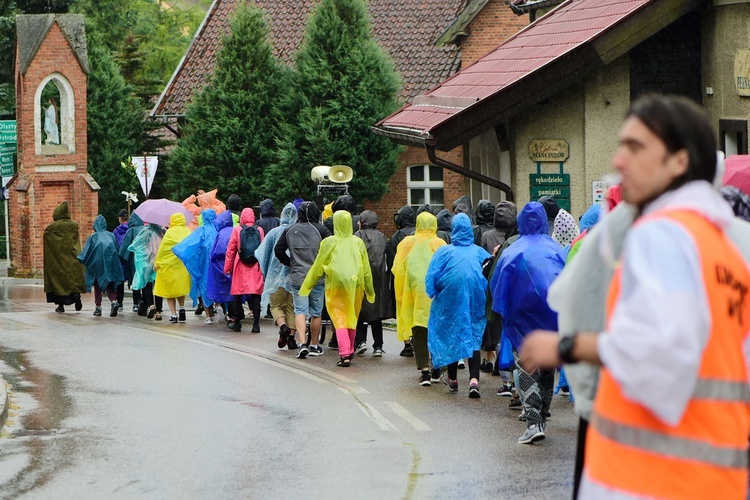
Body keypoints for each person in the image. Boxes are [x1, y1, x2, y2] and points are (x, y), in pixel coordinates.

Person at [521, 95, 750, 499]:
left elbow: (659, 353)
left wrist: (566, 345)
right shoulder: (727, 250)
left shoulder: (661, 233)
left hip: (647, 479)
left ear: (679, 161)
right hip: (715, 478)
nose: (620, 160)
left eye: (636, 147)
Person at [490, 201, 566, 444]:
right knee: (546, 361)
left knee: (525, 364)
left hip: (521, 315)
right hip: (552, 312)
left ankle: (534, 421)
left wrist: (501, 312)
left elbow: (498, 287)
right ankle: (542, 412)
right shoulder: (556, 249)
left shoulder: (512, 250)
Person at [425, 213, 489, 397]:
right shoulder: (479, 252)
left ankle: (452, 378)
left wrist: (434, 292)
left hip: (450, 299)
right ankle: (474, 380)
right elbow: (489, 273)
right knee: (473, 335)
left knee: (452, 334)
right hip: (476, 298)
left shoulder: (444, 252)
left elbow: (432, 277)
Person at [300, 210, 374, 367]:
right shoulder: (357, 242)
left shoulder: (328, 242)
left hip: (336, 284)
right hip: (356, 284)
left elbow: (317, 266)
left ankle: (345, 353)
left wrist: (307, 286)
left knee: (339, 318)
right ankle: (350, 349)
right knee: (351, 316)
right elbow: (366, 268)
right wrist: (370, 290)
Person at [393, 211, 447, 386]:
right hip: (436, 293)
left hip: (413, 294)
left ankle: (424, 371)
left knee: (419, 329)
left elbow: (397, 268)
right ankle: (437, 367)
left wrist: (402, 292)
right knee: (436, 329)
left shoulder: (407, 243)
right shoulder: (439, 243)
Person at [274, 201, 331, 358]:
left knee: (300, 310)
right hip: (317, 276)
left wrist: (290, 263)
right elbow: (331, 249)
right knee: (316, 312)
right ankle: (314, 344)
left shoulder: (290, 230)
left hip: (297, 276)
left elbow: (278, 250)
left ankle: (302, 343)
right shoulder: (321, 230)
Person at [255, 203, 298, 349]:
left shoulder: (273, 233)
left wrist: (266, 271)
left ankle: (283, 326)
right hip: (294, 276)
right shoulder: (297, 232)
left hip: (275, 277)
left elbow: (262, 254)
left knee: (276, 305)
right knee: (292, 307)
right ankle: (292, 337)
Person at [353, 210, 392, 356]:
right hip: (380, 277)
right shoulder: (382, 236)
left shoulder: (357, 236)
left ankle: (361, 341)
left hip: (362, 276)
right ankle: (378, 346)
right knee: (376, 313)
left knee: (361, 310)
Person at [173, 209, 219, 324]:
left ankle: (208, 315)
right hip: (218, 264)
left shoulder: (201, 231)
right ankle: (222, 309)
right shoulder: (218, 230)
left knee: (204, 287)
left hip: (203, 264)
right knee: (218, 286)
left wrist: (178, 250)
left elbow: (190, 244)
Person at [224, 208, 265, 332]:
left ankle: (237, 322)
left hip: (240, 266)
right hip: (255, 266)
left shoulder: (237, 230)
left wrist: (227, 268)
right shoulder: (260, 230)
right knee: (256, 296)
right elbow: (262, 250)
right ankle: (256, 325)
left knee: (238, 295)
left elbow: (231, 250)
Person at [77, 215, 126, 317]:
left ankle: (98, 307)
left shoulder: (93, 237)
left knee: (97, 285)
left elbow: (86, 251)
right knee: (109, 283)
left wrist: (81, 258)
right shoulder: (111, 235)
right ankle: (113, 301)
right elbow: (116, 248)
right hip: (110, 263)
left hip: (96, 265)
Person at [43, 201, 85, 312]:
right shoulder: (74, 225)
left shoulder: (51, 228)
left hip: (58, 259)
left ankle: (61, 305)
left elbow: (48, 241)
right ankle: (76, 295)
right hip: (72, 257)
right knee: (73, 279)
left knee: (58, 281)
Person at [386, 205, 417, 356]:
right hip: (417, 278)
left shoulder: (397, 237)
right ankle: (418, 338)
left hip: (402, 279)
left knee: (403, 310)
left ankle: (407, 343)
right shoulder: (420, 234)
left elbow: (392, 261)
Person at [154, 213, 192, 323]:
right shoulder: (187, 231)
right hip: (182, 265)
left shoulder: (169, 233)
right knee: (180, 288)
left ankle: (174, 314)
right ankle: (182, 308)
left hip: (169, 265)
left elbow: (163, 250)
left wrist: (157, 263)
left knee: (169, 290)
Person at [128, 222, 165, 321]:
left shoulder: (145, 231)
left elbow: (135, 244)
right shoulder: (162, 231)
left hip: (147, 262)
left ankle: (151, 305)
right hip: (159, 261)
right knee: (158, 287)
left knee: (147, 285)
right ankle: (158, 312)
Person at [206, 210, 235, 324]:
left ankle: (228, 312)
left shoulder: (221, 233)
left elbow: (217, 250)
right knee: (233, 289)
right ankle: (232, 313)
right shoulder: (235, 230)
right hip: (235, 264)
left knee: (224, 289)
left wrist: (212, 259)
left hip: (221, 264)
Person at [117, 210, 145, 313]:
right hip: (147, 259)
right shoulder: (146, 229)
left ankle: (136, 302)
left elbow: (125, 248)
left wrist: (122, 259)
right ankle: (148, 302)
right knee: (147, 282)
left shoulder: (131, 231)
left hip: (134, 260)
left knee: (135, 281)